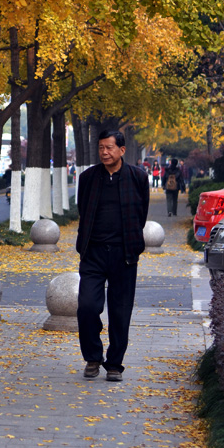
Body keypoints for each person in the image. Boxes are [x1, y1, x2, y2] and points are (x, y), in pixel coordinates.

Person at [76, 130, 150, 383]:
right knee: (87, 306)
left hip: (124, 254)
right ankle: (92, 357)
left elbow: (141, 214)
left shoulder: (138, 177)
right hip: (93, 252)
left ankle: (115, 363)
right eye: (101, 148)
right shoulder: (88, 178)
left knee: (120, 312)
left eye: (109, 148)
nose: (104, 152)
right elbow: (82, 210)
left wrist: (132, 244)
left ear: (121, 150)